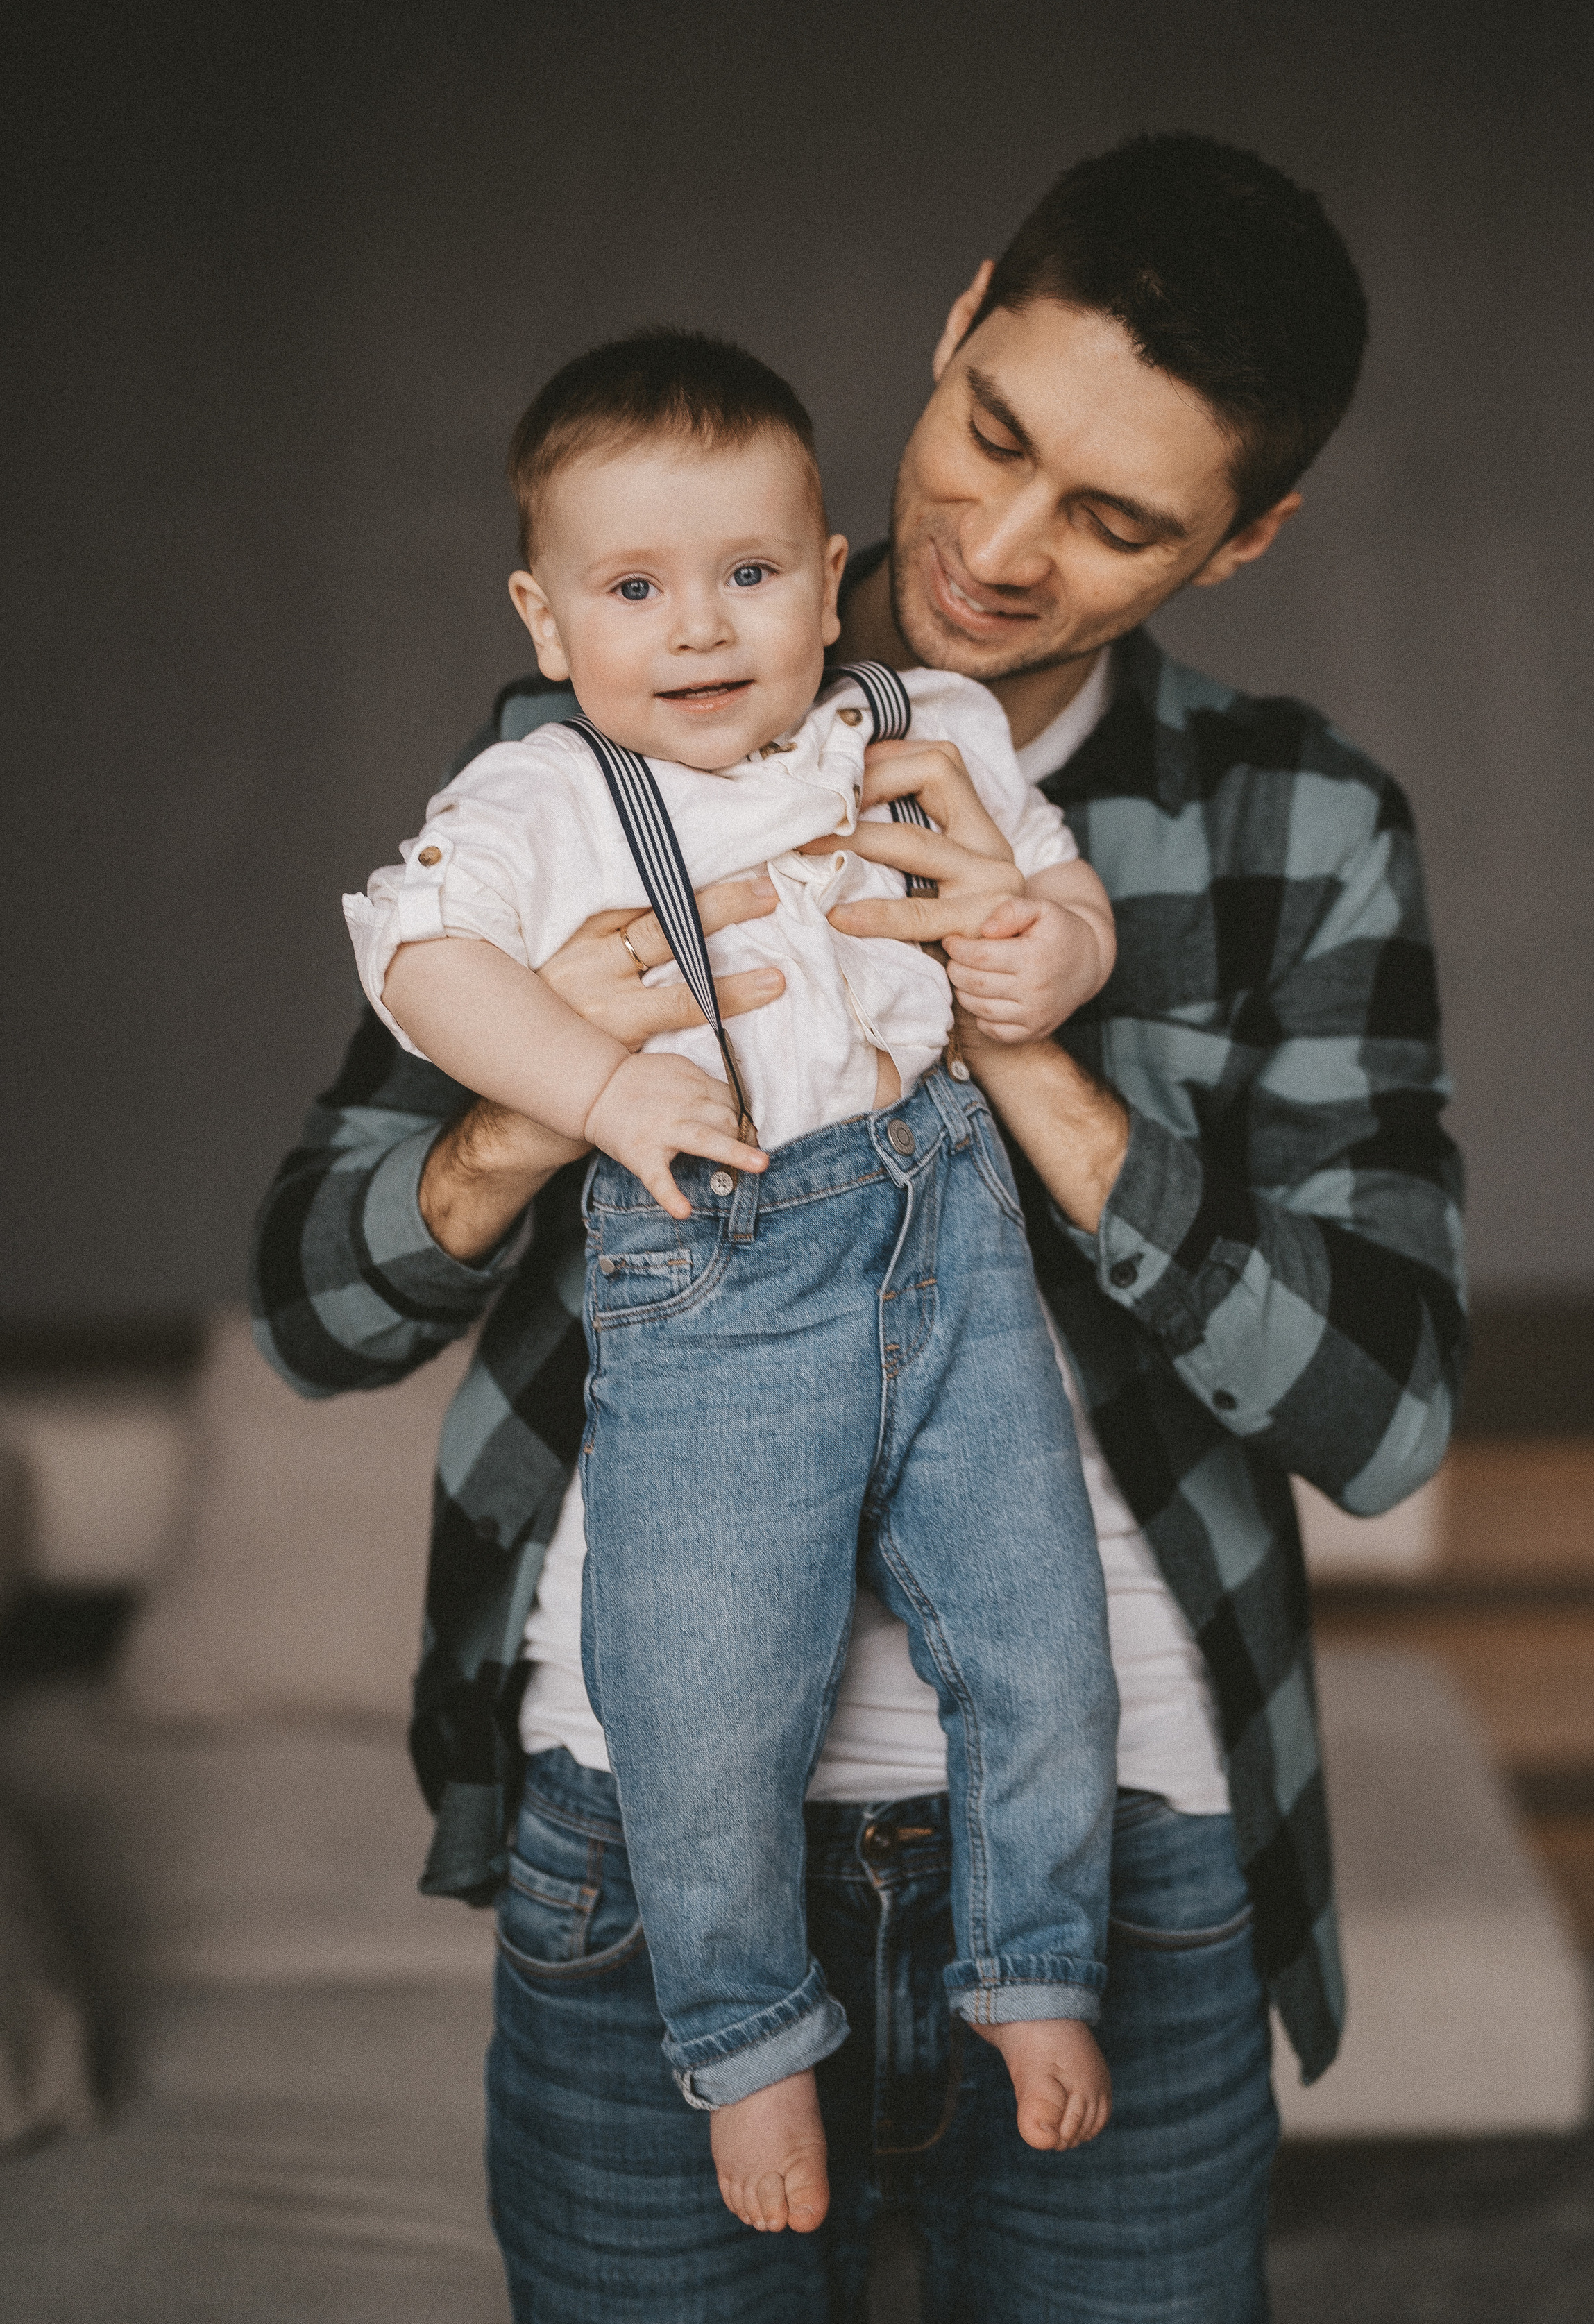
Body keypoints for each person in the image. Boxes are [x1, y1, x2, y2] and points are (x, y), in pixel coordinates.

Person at [253, 133, 1466, 2322]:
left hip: (1138, 1837)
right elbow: (317, 1306)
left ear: (1250, 534)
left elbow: (1386, 1418)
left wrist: (1020, 1044)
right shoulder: (583, 746)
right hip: (641, 1828)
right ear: (959, 312)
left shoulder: (1301, 825)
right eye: (994, 434)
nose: (996, 547)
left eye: (1116, 519)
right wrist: (549, 1108)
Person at [344, 328, 1122, 2234]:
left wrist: (1051, 964)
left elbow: (1057, 879)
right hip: (722, 1278)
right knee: (701, 1700)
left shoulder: (924, 728)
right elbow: (419, 965)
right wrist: (593, 1081)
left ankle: (1035, 1975)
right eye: (633, 587)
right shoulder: (542, 797)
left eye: (750, 575)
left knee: (1041, 1634)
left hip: (950, 1244)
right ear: (547, 617)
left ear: (829, 576)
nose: (699, 629)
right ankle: (749, 2042)